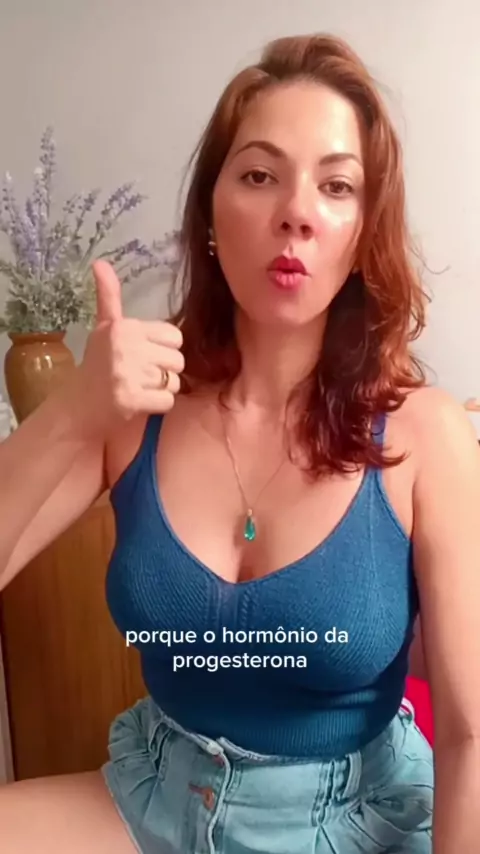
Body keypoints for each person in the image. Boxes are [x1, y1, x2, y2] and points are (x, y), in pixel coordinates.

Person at [0, 31, 479, 854]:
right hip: (157, 794)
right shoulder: (136, 410)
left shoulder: (426, 436)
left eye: (336, 186)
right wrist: (75, 409)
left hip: (354, 818)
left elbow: (471, 732)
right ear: (211, 217)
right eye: (260, 175)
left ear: (362, 236)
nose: (296, 211)